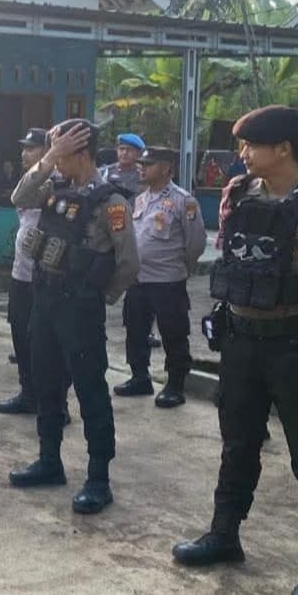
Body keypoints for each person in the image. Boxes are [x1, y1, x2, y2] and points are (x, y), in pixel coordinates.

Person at [172, 105, 298, 595]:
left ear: (283, 149)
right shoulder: (239, 195)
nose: (241, 153)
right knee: (237, 444)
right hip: (242, 340)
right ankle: (224, 533)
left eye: (250, 145)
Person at [8, 120, 139, 514]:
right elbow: (19, 196)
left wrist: (98, 295)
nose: (56, 161)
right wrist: (50, 156)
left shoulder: (111, 202)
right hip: (44, 299)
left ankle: (98, 478)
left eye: (61, 152)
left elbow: (128, 263)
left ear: (82, 152)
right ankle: (49, 461)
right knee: (45, 382)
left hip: (80, 308)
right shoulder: (54, 188)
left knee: (90, 389)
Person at [113, 147, 207, 407]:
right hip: (138, 279)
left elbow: (196, 243)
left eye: (148, 164)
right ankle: (139, 377)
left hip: (167, 281)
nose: (141, 168)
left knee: (173, 334)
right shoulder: (141, 199)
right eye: (141, 164)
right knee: (135, 329)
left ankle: (175, 385)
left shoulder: (183, 201)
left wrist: (183, 266)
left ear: (166, 168)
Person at [0, 128, 70, 425]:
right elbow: (21, 197)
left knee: (51, 343)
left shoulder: (58, 182)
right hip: (21, 273)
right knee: (21, 335)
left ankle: (58, 401)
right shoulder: (34, 179)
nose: (24, 154)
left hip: (47, 276)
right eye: (24, 148)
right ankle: (28, 393)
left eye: (31, 148)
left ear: (48, 151)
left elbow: (20, 197)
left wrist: (50, 160)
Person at [101, 133, 145, 203]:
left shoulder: (144, 174)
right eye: (121, 149)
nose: (124, 153)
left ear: (139, 153)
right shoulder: (105, 172)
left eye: (129, 150)